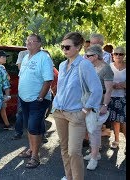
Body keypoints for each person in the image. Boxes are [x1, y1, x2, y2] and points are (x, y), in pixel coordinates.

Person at [52, 32, 102, 180]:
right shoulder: (62, 64)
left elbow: (97, 89)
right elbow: (62, 88)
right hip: (59, 112)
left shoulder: (84, 64)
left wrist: (85, 110)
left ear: (78, 47)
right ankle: (69, 177)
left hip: (76, 114)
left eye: (67, 47)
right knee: (64, 149)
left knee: (74, 151)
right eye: (62, 47)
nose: (64, 50)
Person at [17, 34, 54, 168]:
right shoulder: (26, 57)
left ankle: (35, 157)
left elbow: (48, 79)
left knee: (34, 127)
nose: (29, 43)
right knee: (29, 126)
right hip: (24, 98)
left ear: (39, 44)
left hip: (37, 99)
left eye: (33, 41)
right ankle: (31, 149)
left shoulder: (44, 57)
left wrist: (40, 97)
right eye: (28, 41)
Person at [83, 44, 114, 170]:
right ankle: (94, 153)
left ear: (95, 56)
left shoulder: (106, 69)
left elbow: (109, 90)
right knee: (92, 130)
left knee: (94, 131)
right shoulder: (92, 67)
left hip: (99, 103)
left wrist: (105, 105)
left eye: (88, 56)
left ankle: (94, 158)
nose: (85, 57)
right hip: (90, 102)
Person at [89, 33, 113, 136]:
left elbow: (106, 74)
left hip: (101, 91)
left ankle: (96, 145)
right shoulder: (85, 55)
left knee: (97, 121)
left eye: (96, 43)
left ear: (102, 44)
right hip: (88, 93)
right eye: (92, 43)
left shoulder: (107, 56)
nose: (93, 45)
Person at [108, 47, 126, 151]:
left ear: (124, 55)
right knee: (115, 120)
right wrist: (111, 84)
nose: (118, 56)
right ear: (112, 55)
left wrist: (124, 84)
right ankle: (116, 140)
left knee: (124, 122)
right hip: (112, 97)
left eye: (121, 54)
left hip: (124, 97)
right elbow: (103, 80)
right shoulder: (108, 67)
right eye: (116, 54)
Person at [0, 50, 14, 131]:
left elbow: (8, 78)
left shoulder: (2, 67)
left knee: (3, 108)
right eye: (4, 57)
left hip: (2, 91)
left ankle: (7, 125)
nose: (5, 58)